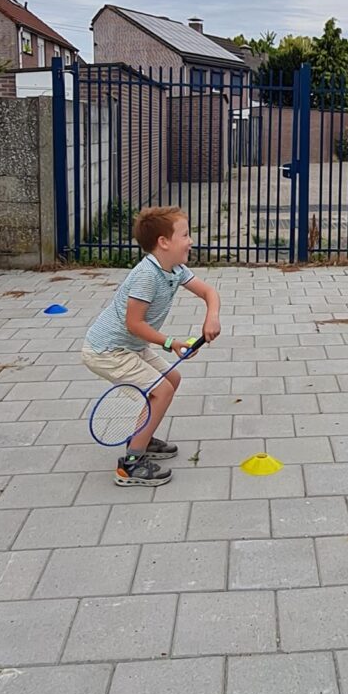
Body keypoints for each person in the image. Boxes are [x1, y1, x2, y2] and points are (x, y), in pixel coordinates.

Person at [81, 206, 221, 485]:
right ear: (163, 242)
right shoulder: (147, 275)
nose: (191, 240)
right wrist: (171, 343)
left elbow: (209, 291)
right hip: (107, 350)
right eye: (185, 234)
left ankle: (141, 436)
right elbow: (135, 323)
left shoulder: (175, 269)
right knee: (162, 391)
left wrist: (212, 317)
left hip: (130, 346)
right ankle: (130, 464)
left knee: (173, 378)